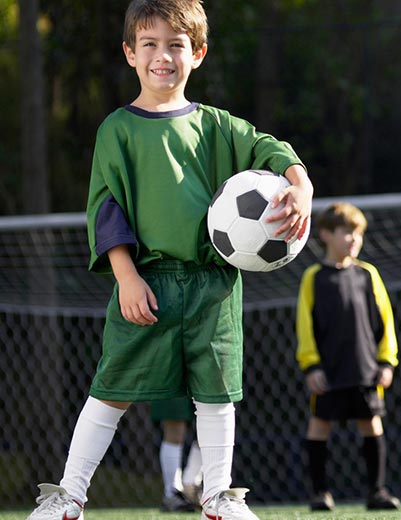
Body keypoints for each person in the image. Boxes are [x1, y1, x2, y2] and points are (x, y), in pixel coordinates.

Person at [26, 1, 312, 519]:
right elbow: (106, 208)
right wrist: (126, 276)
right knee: (111, 389)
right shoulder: (117, 129)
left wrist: (301, 185)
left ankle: (218, 496)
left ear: (197, 54)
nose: (163, 56)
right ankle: (68, 495)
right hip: (145, 282)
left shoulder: (218, 126)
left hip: (214, 285)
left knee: (217, 393)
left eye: (176, 45)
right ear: (130, 54)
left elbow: (271, 148)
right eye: (150, 44)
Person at [295, 202, 401, 512]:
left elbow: (385, 321)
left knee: (371, 425)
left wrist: (386, 360)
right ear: (326, 235)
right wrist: (311, 365)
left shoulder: (368, 274)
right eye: (346, 232)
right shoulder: (313, 277)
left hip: (365, 369)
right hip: (327, 370)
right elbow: (305, 325)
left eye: (358, 234)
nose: (354, 240)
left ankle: (377, 492)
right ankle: (320, 493)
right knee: (319, 426)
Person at [150, 398, 203, 512]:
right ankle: (172, 494)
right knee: (174, 425)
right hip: (171, 380)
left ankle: (190, 486)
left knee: (211, 424)